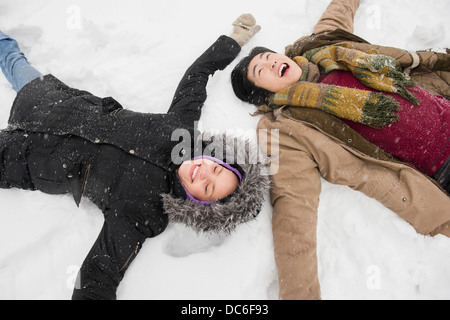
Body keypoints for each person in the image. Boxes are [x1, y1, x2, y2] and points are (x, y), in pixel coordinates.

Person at [0, 14, 269, 300]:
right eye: (215, 169)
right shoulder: (181, 130)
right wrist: (234, 40)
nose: (203, 173)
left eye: (208, 187)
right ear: (215, 157)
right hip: (48, 101)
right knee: (12, 59)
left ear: (200, 204)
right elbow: (198, 74)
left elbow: (99, 275)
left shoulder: (145, 213)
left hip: (20, 158)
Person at [230, 0, 450, 299]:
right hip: (441, 168)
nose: (270, 62)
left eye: (269, 56)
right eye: (261, 70)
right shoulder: (285, 128)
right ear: (263, 93)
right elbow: (293, 208)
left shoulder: (323, 47)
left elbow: (340, 9)